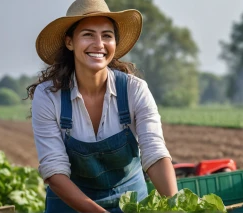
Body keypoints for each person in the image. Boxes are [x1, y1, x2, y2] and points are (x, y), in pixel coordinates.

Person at [26, 0, 177, 212]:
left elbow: (155, 153)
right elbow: (54, 170)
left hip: (131, 204)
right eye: (88, 34)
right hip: (70, 206)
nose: (99, 44)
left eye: (107, 36)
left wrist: (176, 205)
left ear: (115, 43)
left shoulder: (135, 90)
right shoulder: (49, 96)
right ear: (70, 42)